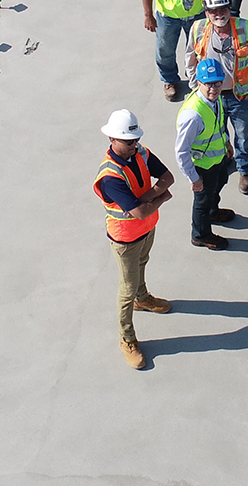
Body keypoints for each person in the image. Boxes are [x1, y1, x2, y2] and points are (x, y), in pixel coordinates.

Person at [94, 109, 175, 370]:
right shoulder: (110, 177)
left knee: (143, 263)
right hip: (125, 238)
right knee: (126, 289)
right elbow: (139, 210)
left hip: (147, 229)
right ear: (112, 140)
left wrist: (148, 200)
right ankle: (127, 338)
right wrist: (159, 197)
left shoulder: (141, 152)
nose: (134, 145)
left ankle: (143, 298)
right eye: (128, 141)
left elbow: (168, 177)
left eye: (135, 140)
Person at [187, 0, 248, 194]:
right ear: (206, 11)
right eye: (214, 11)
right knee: (218, 133)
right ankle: (226, 159)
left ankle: (245, 169)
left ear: (229, 8)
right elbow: (190, 60)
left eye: (223, 9)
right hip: (212, 98)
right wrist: (196, 89)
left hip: (240, 96)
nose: (219, 14)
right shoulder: (198, 29)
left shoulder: (245, 28)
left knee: (243, 135)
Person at [175, 58, 237, 250]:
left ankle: (213, 211)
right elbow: (181, 151)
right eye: (208, 83)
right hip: (202, 167)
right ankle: (200, 235)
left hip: (217, 160)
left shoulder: (215, 98)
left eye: (218, 82)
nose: (214, 88)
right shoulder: (193, 115)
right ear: (199, 82)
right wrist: (194, 178)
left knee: (219, 183)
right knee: (202, 201)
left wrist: (226, 141)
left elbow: (218, 123)